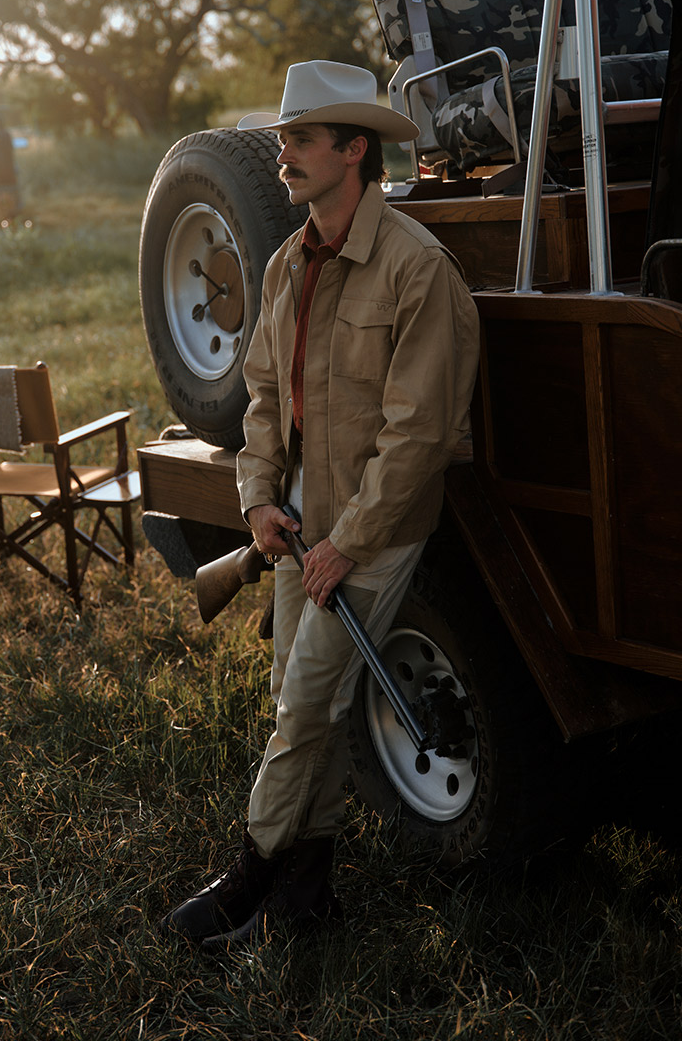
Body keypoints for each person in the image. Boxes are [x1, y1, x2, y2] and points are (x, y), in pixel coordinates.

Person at [163, 60, 480, 947]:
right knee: (301, 698)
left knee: (306, 705)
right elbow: (265, 398)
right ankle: (310, 898)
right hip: (299, 527)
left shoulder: (419, 271)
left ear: (354, 151)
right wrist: (259, 500)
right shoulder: (284, 265)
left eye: (301, 138)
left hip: (371, 532)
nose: (282, 154)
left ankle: (248, 876)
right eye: (281, 139)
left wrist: (349, 542)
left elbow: (419, 436)